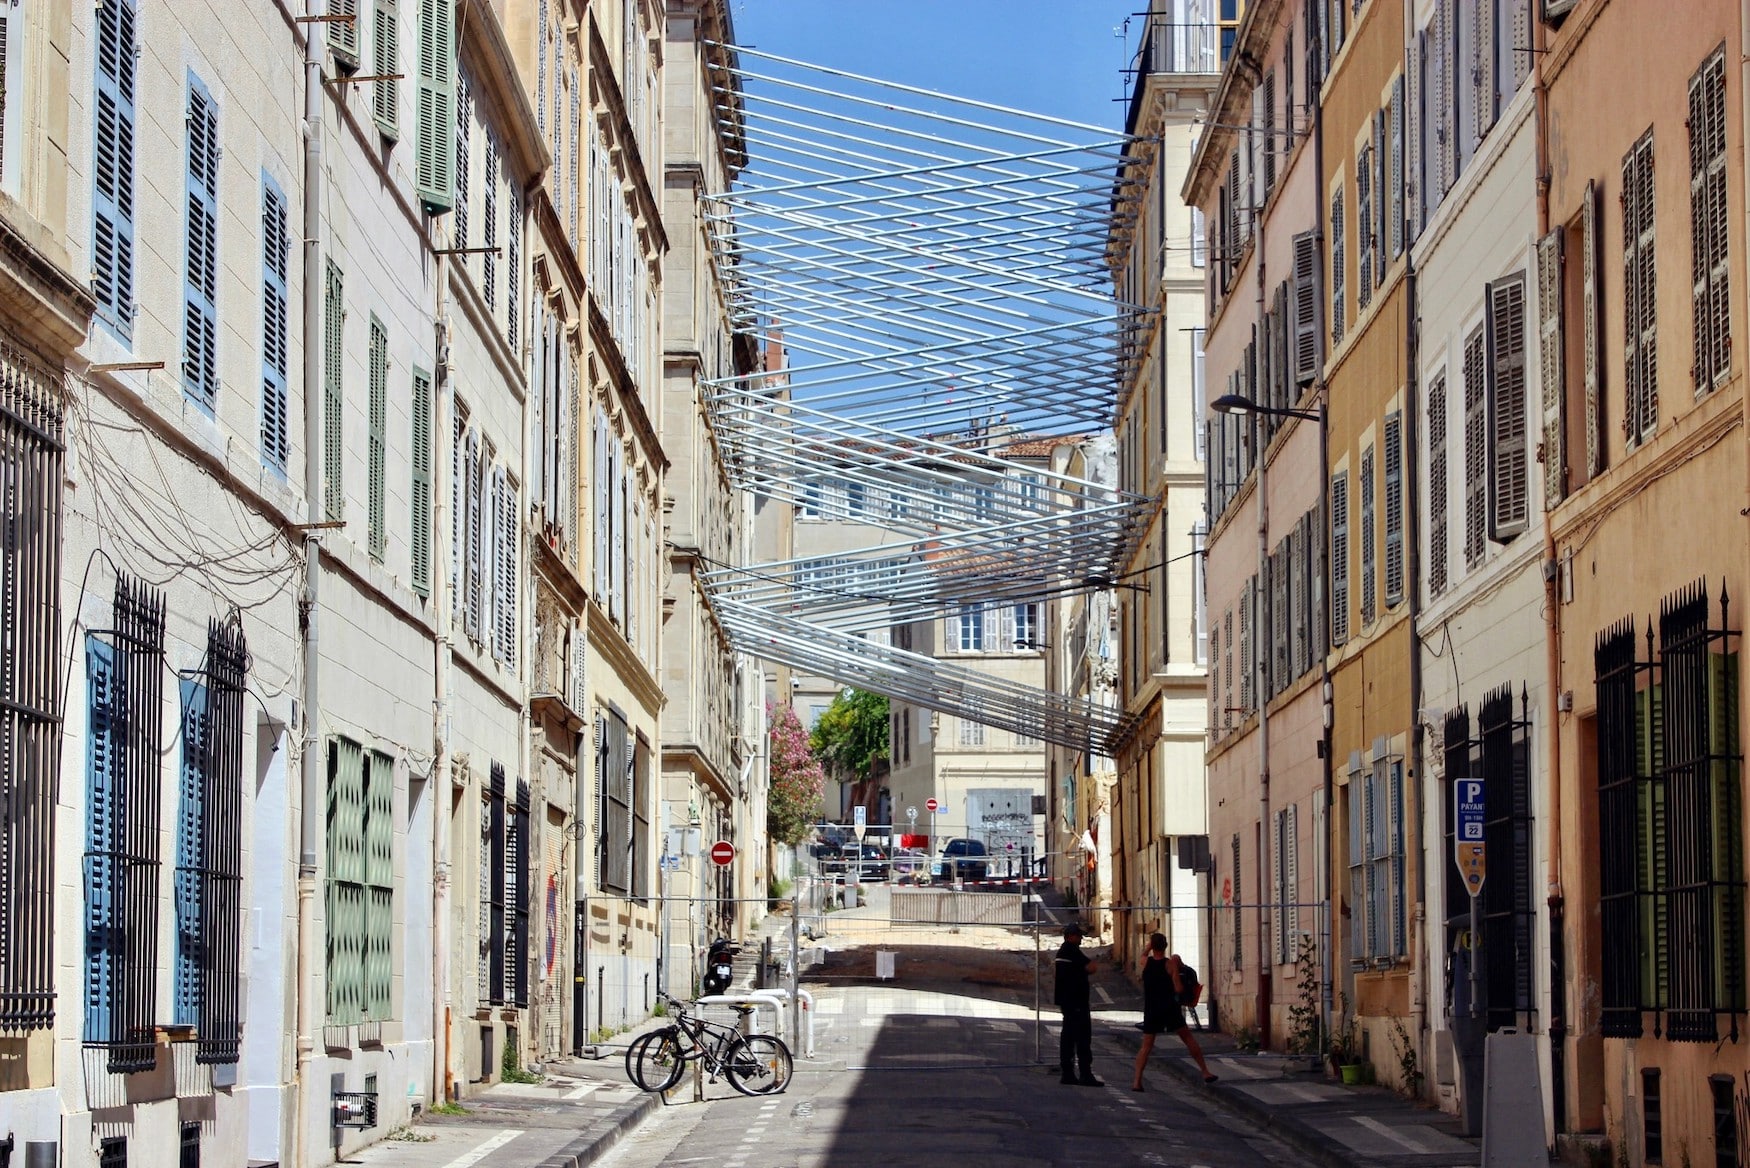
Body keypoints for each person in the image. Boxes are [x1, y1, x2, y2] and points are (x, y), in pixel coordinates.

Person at [1131, 933, 1218, 1090]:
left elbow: (1142, 956)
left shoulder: (1147, 962)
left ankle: (1137, 1081)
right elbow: (1178, 988)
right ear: (1165, 946)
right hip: (1170, 1008)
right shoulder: (1170, 965)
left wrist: (1148, 948)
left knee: (1146, 1047)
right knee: (1188, 1038)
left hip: (1152, 1009)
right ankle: (1205, 1071)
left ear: (1152, 946)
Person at [1054, 922, 1102, 1086]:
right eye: (1078, 935)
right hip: (1076, 1002)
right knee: (1081, 1037)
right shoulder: (1070, 951)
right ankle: (1084, 1073)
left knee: (1069, 1036)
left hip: (1069, 1001)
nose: (1081, 938)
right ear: (1070, 936)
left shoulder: (1064, 951)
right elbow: (1090, 967)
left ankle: (1068, 1072)